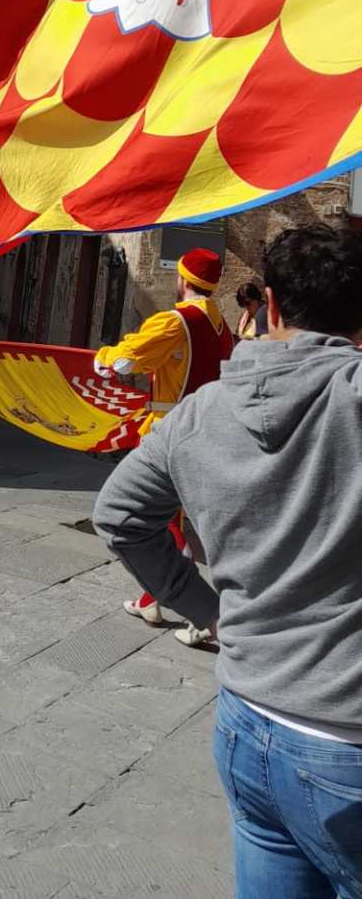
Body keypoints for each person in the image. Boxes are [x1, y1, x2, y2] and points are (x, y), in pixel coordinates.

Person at [93, 224, 362, 898]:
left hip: (245, 720)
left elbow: (118, 516)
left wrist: (209, 612)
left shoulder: (199, 411)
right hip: (343, 742)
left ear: (267, 305)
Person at [93, 247, 233, 641]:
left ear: (184, 280)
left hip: (169, 430)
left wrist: (101, 358)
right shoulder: (224, 326)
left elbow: (125, 360)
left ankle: (201, 615)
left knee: (143, 517)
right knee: (175, 517)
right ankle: (149, 599)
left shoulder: (176, 320)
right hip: (207, 428)